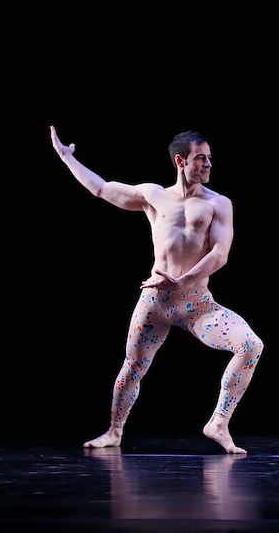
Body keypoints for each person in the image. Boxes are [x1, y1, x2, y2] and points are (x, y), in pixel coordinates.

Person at [50, 126, 264, 454]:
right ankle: (114, 432)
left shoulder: (218, 204)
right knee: (133, 367)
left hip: (196, 305)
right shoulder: (154, 195)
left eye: (209, 159)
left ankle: (218, 422)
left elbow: (220, 254)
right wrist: (67, 158)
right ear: (181, 161)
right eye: (200, 159)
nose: (208, 164)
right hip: (155, 302)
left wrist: (184, 281)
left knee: (250, 345)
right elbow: (103, 189)